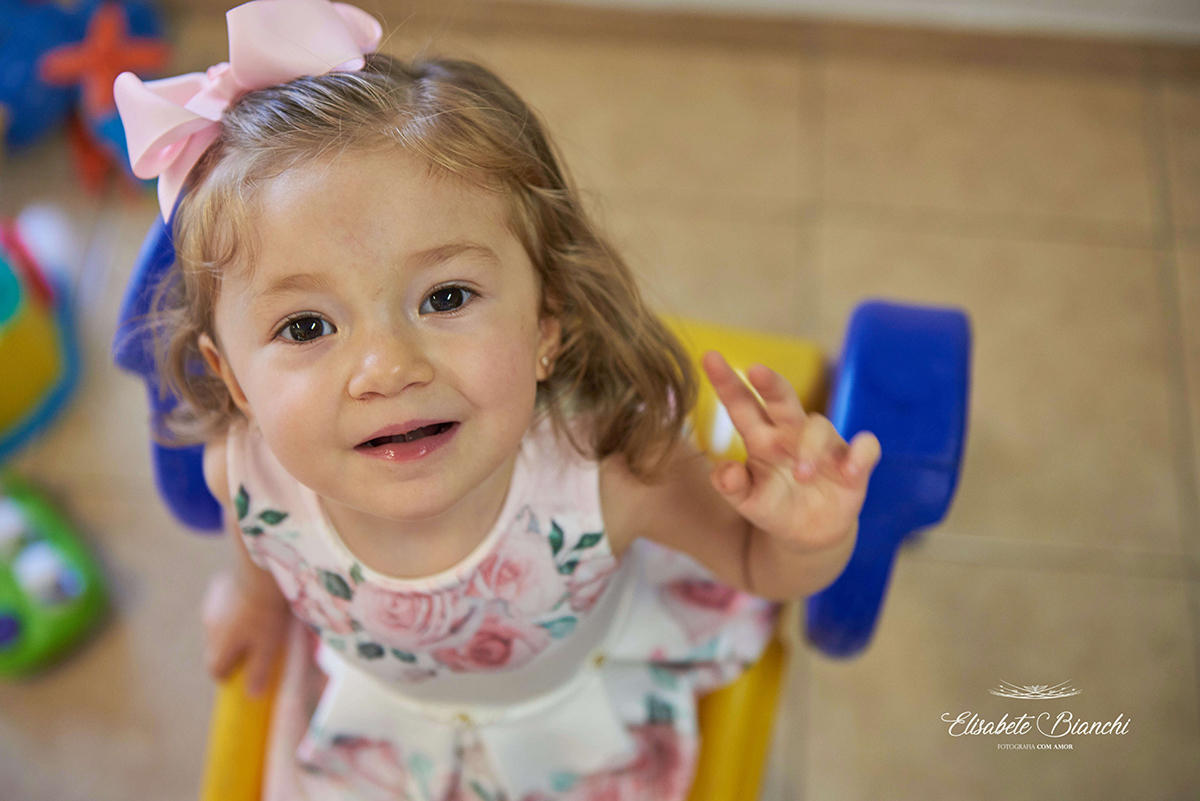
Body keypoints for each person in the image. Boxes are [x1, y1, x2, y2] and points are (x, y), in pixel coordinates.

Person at [114, 1, 881, 799]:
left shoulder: (612, 468)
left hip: (570, 729)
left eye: (445, 297)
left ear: (547, 318)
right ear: (234, 378)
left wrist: (809, 536)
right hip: (385, 729)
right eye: (307, 324)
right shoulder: (247, 468)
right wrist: (249, 597)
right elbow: (255, 543)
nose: (387, 368)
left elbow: (758, 565)